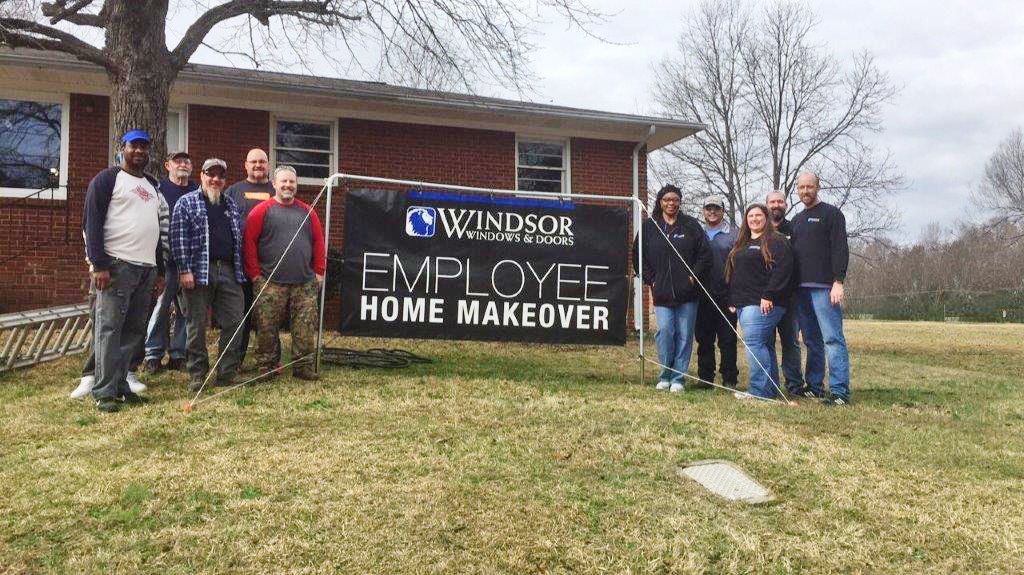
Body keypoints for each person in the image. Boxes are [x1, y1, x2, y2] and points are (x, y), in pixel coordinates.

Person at [82, 129, 164, 413]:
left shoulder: (152, 185)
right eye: (134, 146)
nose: (139, 151)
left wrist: (159, 269)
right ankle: (103, 391)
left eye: (144, 147)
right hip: (116, 266)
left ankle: (120, 384)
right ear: (123, 148)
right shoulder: (107, 180)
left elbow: (155, 228)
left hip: (145, 269)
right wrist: (98, 264)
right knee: (109, 329)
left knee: (133, 331)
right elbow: (90, 224)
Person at [243, 165, 326, 381]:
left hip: (304, 282)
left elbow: (318, 242)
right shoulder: (261, 211)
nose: (288, 185)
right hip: (270, 282)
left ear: (296, 185)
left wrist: (319, 272)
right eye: (284, 182)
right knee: (267, 328)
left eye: (292, 182)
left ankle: (303, 366)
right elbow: (249, 244)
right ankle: (268, 366)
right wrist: (255, 275)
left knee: (305, 328)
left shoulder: (308, 211)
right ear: (274, 184)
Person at [171, 158, 247, 392]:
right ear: (202, 175)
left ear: (224, 180)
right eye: (210, 174)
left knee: (236, 321)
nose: (215, 179)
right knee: (196, 325)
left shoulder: (231, 205)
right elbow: (177, 238)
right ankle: (197, 374)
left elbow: (238, 240)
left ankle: (226, 372)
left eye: (220, 176)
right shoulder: (186, 202)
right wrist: (184, 270)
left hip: (228, 270)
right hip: (196, 271)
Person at [633, 184, 712, 393]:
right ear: (660, 202)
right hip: (662, 292)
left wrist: (692, 277)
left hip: (688, 293)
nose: (671, 203)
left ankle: (679, 378)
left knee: (685, 335)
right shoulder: (650, 226)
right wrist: (651, 279)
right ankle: (665, 374)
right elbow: (637, 256)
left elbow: (705, 255)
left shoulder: (691, 225)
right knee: (666, 332)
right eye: (667, 199)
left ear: (679, 202)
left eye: (675, 199)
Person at [789, 172, 852, 406]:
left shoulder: (832, 214)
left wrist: (838, 281)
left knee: (833, 339)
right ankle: (814, 386)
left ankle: (839, 392)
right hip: (801, 290)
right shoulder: (796, 220)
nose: (806, 191)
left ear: (818, 187)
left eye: (810, 186)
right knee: (812, 340)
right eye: (802, 187)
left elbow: (840, 248)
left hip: (825, 288)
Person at [725, 203, 794, 400]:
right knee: (765, 344)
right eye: (750, 216)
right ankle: (770, 390)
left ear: (766, 218)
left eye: (758, 215)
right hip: (743, 303)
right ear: (746, 220)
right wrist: (732, 299)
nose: (754, 219)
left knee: (754, 343)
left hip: (764, 303)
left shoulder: (776, 241)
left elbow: (783, 270)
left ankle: (758, 391)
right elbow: (735, 273)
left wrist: (769, 295)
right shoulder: (742, 242)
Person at [142, 151, 198, 374]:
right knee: (160, 308)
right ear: (168, 165)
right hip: (166, 262)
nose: (183, 164)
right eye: (178, 161)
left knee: (186, 310)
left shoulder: (197, 191)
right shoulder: (159, 191)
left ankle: (178, 354)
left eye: (187, 161)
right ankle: (153, 354)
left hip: (189, 263)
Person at [225, 148, 276, 367]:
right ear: (245, 165)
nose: (257, 165)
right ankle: (236, 359)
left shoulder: (278, 190)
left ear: (268, 165)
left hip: (270, 265)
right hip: (240, 266)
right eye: (253, 162)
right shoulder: (233, 191)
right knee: (241, 316)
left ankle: (270, 361)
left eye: (262, 162)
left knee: (269, 317)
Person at [694, 196, 739, 389]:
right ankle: (705, 378)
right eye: (708, 208)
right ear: (703, 211)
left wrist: (736, 295)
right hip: (701, 295)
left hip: (726, 296)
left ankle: (729, 378)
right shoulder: (697, 233)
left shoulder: (734, 235)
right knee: (704, 339)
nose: (712, 212)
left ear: (723, 211)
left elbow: (740, 266)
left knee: (728, 340)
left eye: (716, 208)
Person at [766, 190, 807, 396]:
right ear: (767, 205)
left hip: (790, 298)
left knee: (791, 341)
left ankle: (794, 385)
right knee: (767, 341)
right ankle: (771, 383)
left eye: (780, 202)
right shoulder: (758, 230)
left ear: (786, 205)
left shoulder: (795, 229)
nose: (776, 205)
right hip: (765, 297)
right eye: (772, 202)